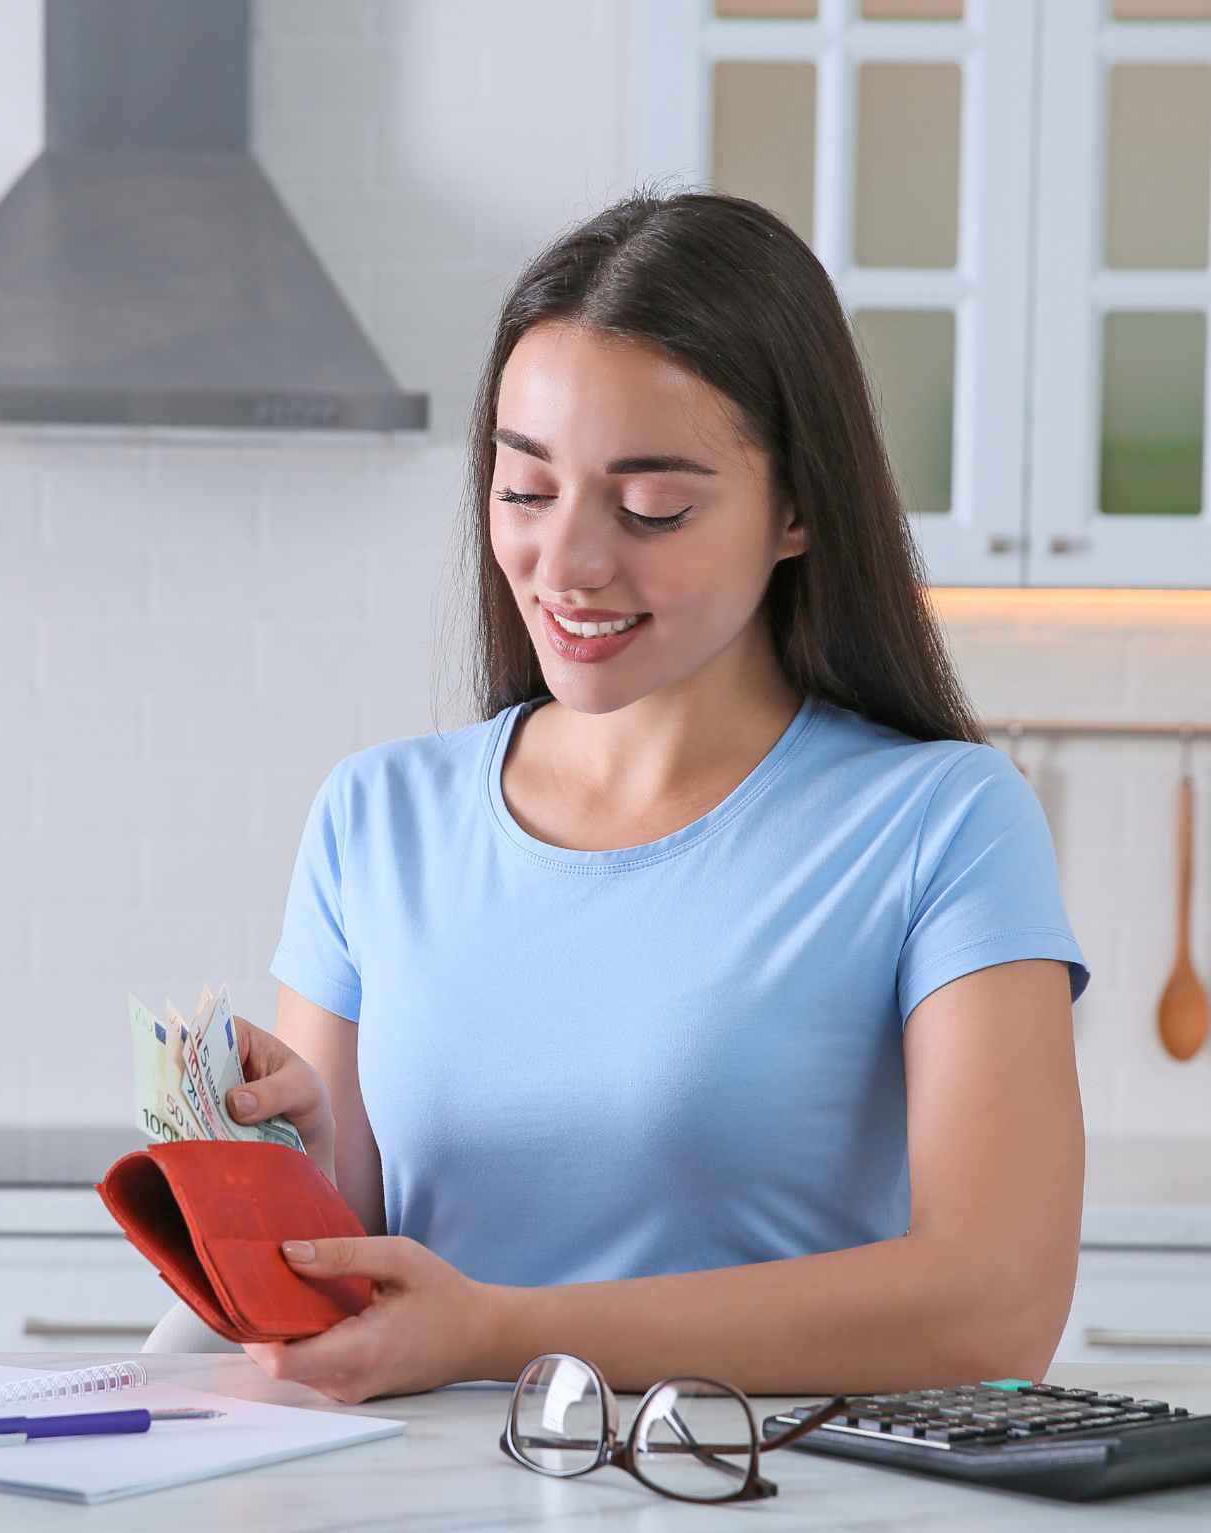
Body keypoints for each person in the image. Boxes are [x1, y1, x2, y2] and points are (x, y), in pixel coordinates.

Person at [220, 188, 1091, 1405]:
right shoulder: (376, 818)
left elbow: (993, 1313)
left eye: (652, 506)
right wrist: (294, 1174)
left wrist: (495, 1331)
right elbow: (356, 1302)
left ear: (798, 509)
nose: (568, 562)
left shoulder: (941, 823)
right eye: (526, 491)